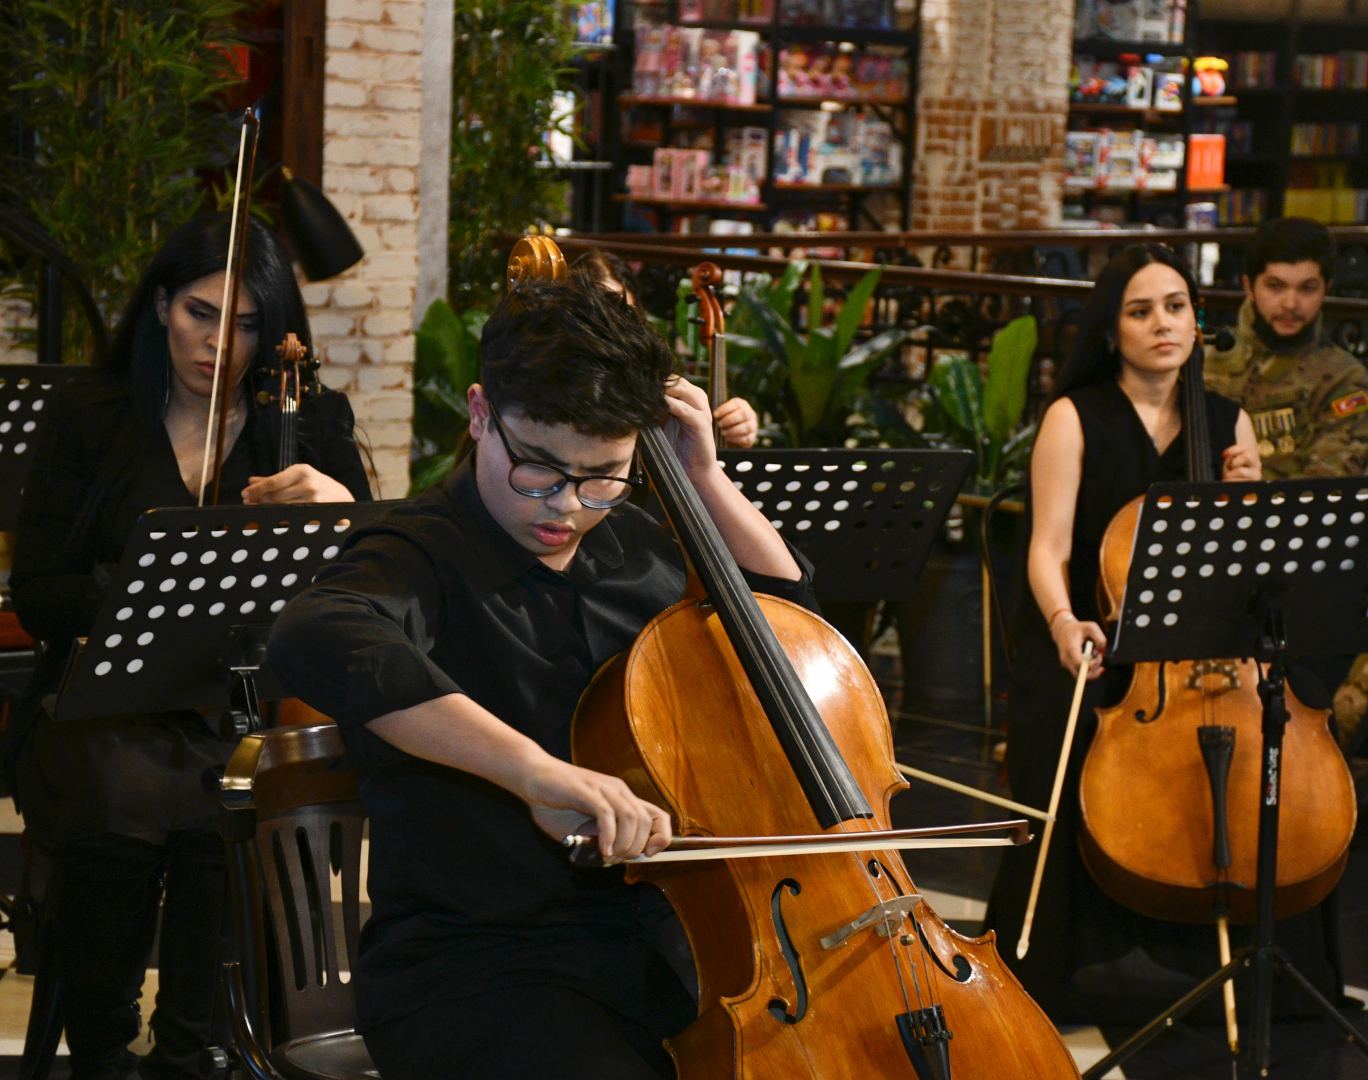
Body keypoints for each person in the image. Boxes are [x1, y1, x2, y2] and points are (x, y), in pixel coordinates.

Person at [266, 274, 815, 1079]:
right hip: (476, 969)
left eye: (605, 475)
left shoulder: (634, 544)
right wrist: (535, 773)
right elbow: (319, 634)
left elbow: (787, 631)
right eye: (541, 471)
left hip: (662, 952)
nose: (568, 505)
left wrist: (704, 479)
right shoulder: (416, 552)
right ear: (482, 414)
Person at [9, 212, 371, 1079]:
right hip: (106, 707)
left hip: (241, 706)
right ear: (161, 306)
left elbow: (369, 583)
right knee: (129, 783)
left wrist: (338, 507)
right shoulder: (91, 415)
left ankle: (193, 1048)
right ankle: (103, 1042)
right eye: (201, 315)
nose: (221, 345)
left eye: (247, 324)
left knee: (237, 785)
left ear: (278, 331)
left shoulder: (308, 420)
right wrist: (139, 579)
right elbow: (39, 594)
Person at [984, 243, 1262, 1021]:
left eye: (1175, 307)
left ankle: (1202, 964)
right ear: (1112, 331)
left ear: (1197, 322)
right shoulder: (1074, 417)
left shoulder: (1227, 422)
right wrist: (1064, 621)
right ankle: (1044, 974)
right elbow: (1048, 548)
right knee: (1061, 763)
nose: (1162, 325)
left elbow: (1246, 570)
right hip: (1091, 642)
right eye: (1140, 311)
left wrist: (1248, 497)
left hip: (1193, 655)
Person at [1204, 216, 1368, 754]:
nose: (1291, 304)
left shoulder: (1342, 378)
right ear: (1249, 286)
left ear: (1326, 290)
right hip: (1209, 550)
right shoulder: (1204, 366)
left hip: (1302, 567)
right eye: (1275, 286)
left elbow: (1329, 486)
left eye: (1307, 288)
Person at [572, 247, 762, 449]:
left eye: (622, 310)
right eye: (598, 311)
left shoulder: (660, 386)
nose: (612, 325)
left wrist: (739, 425)